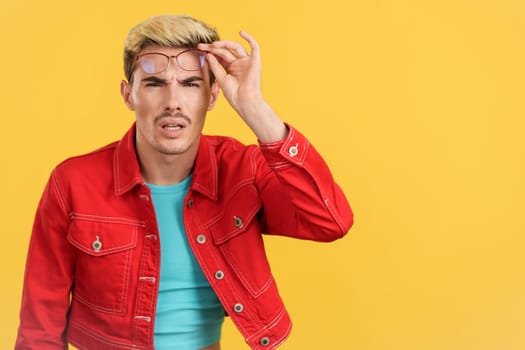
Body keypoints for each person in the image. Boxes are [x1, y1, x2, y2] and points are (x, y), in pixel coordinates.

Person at [15, 14, 353, 350]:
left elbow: (330, 222)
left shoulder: (241, 170)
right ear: (128, 95)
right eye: (154, 84)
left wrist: (255, 108)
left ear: (213, 95)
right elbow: (38, 330)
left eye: (191, 84)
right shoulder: (72, 182)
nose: (173, 103)